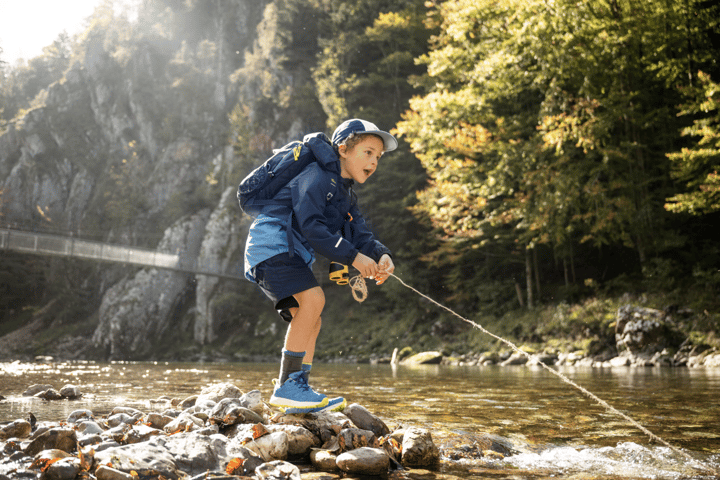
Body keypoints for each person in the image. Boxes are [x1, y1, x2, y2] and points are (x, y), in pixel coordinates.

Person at [243, 119, 397, 414]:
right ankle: (288, 386)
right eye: (368, 152)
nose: (375, 161)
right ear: (343, 149)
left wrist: (381, 255)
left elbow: (360, 234)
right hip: (271, 244)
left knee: (311, 317)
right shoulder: (315, 176)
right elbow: (312, 227)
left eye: (379, 156)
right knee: (314, 299)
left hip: (290, 251)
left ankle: (298, 390)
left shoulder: (346, 195)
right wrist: (353, 258)